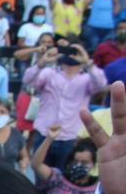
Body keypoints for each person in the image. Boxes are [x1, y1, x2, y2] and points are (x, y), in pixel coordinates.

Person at [23, 42, 107, 171]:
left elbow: (101, 84)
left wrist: (88, 63)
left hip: (69, 137)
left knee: (65, 177)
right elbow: (28, 80)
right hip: (44, 134)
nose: (71, 57)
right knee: (40, 174)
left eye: (75, 53)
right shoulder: (49, 73)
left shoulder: (86, 79)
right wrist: (41, 63)